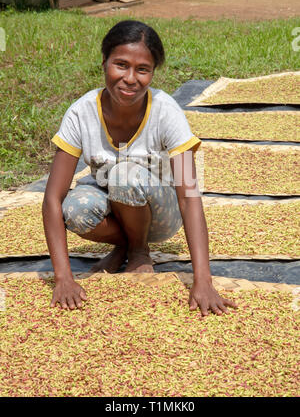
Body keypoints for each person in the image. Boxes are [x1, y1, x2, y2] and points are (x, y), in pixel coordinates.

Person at [42, 20, 238, 316]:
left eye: (142, 69)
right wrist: (63, 278)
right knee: (75, 208)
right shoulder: (81, 112)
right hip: (112, 201)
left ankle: (138, 249)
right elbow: (52, 199)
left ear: (153, 73)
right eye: (120, 65)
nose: (130, 78)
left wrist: (203, 281)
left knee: (123, 174)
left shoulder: (166, 111)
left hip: (160, 210)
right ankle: (125, 246)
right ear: (104, 63)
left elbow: (189, 196)